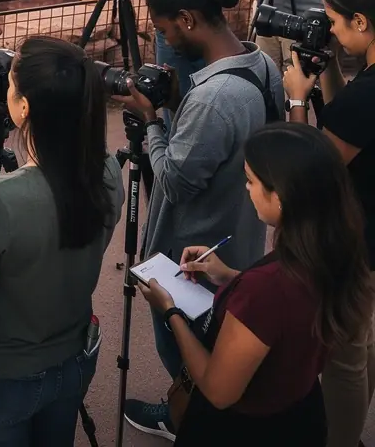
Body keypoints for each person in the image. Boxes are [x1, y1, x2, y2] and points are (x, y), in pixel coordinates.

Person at [0, 37, 124, 447]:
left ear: (25, 107)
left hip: (0, 377)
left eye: (11, 85)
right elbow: (58, 235)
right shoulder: (106, 171)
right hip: (72, 360)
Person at [121, 0, 282, 440]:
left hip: (193, 256)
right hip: (238, 238)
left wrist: (153, 119)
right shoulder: (261, 65)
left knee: (187, 349)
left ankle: (190, 420)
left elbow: (174, 181)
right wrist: (178, 104)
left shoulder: (212, 98)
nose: (165, 41)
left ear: (187, 19)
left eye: (165, 29)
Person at [138, 123, 372, 446]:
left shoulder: (264, 290)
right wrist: (229, 276)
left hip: (246, 429)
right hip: (300, 411)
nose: (246, 189)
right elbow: (288, 309)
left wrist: (170, 310)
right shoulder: (332, 251)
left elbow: (218, 390)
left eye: (251, 180)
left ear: (282, 195)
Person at [284, 0, 375, 447]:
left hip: (359, 241)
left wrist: (297, 99)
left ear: (361, 22)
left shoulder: (366, 97)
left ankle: (340, 439)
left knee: (343, 356)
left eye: (336, 23)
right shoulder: (366, 86)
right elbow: (351, 123)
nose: (332, 31)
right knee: (365, 340)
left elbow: (310, 170)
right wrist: (333, 69)